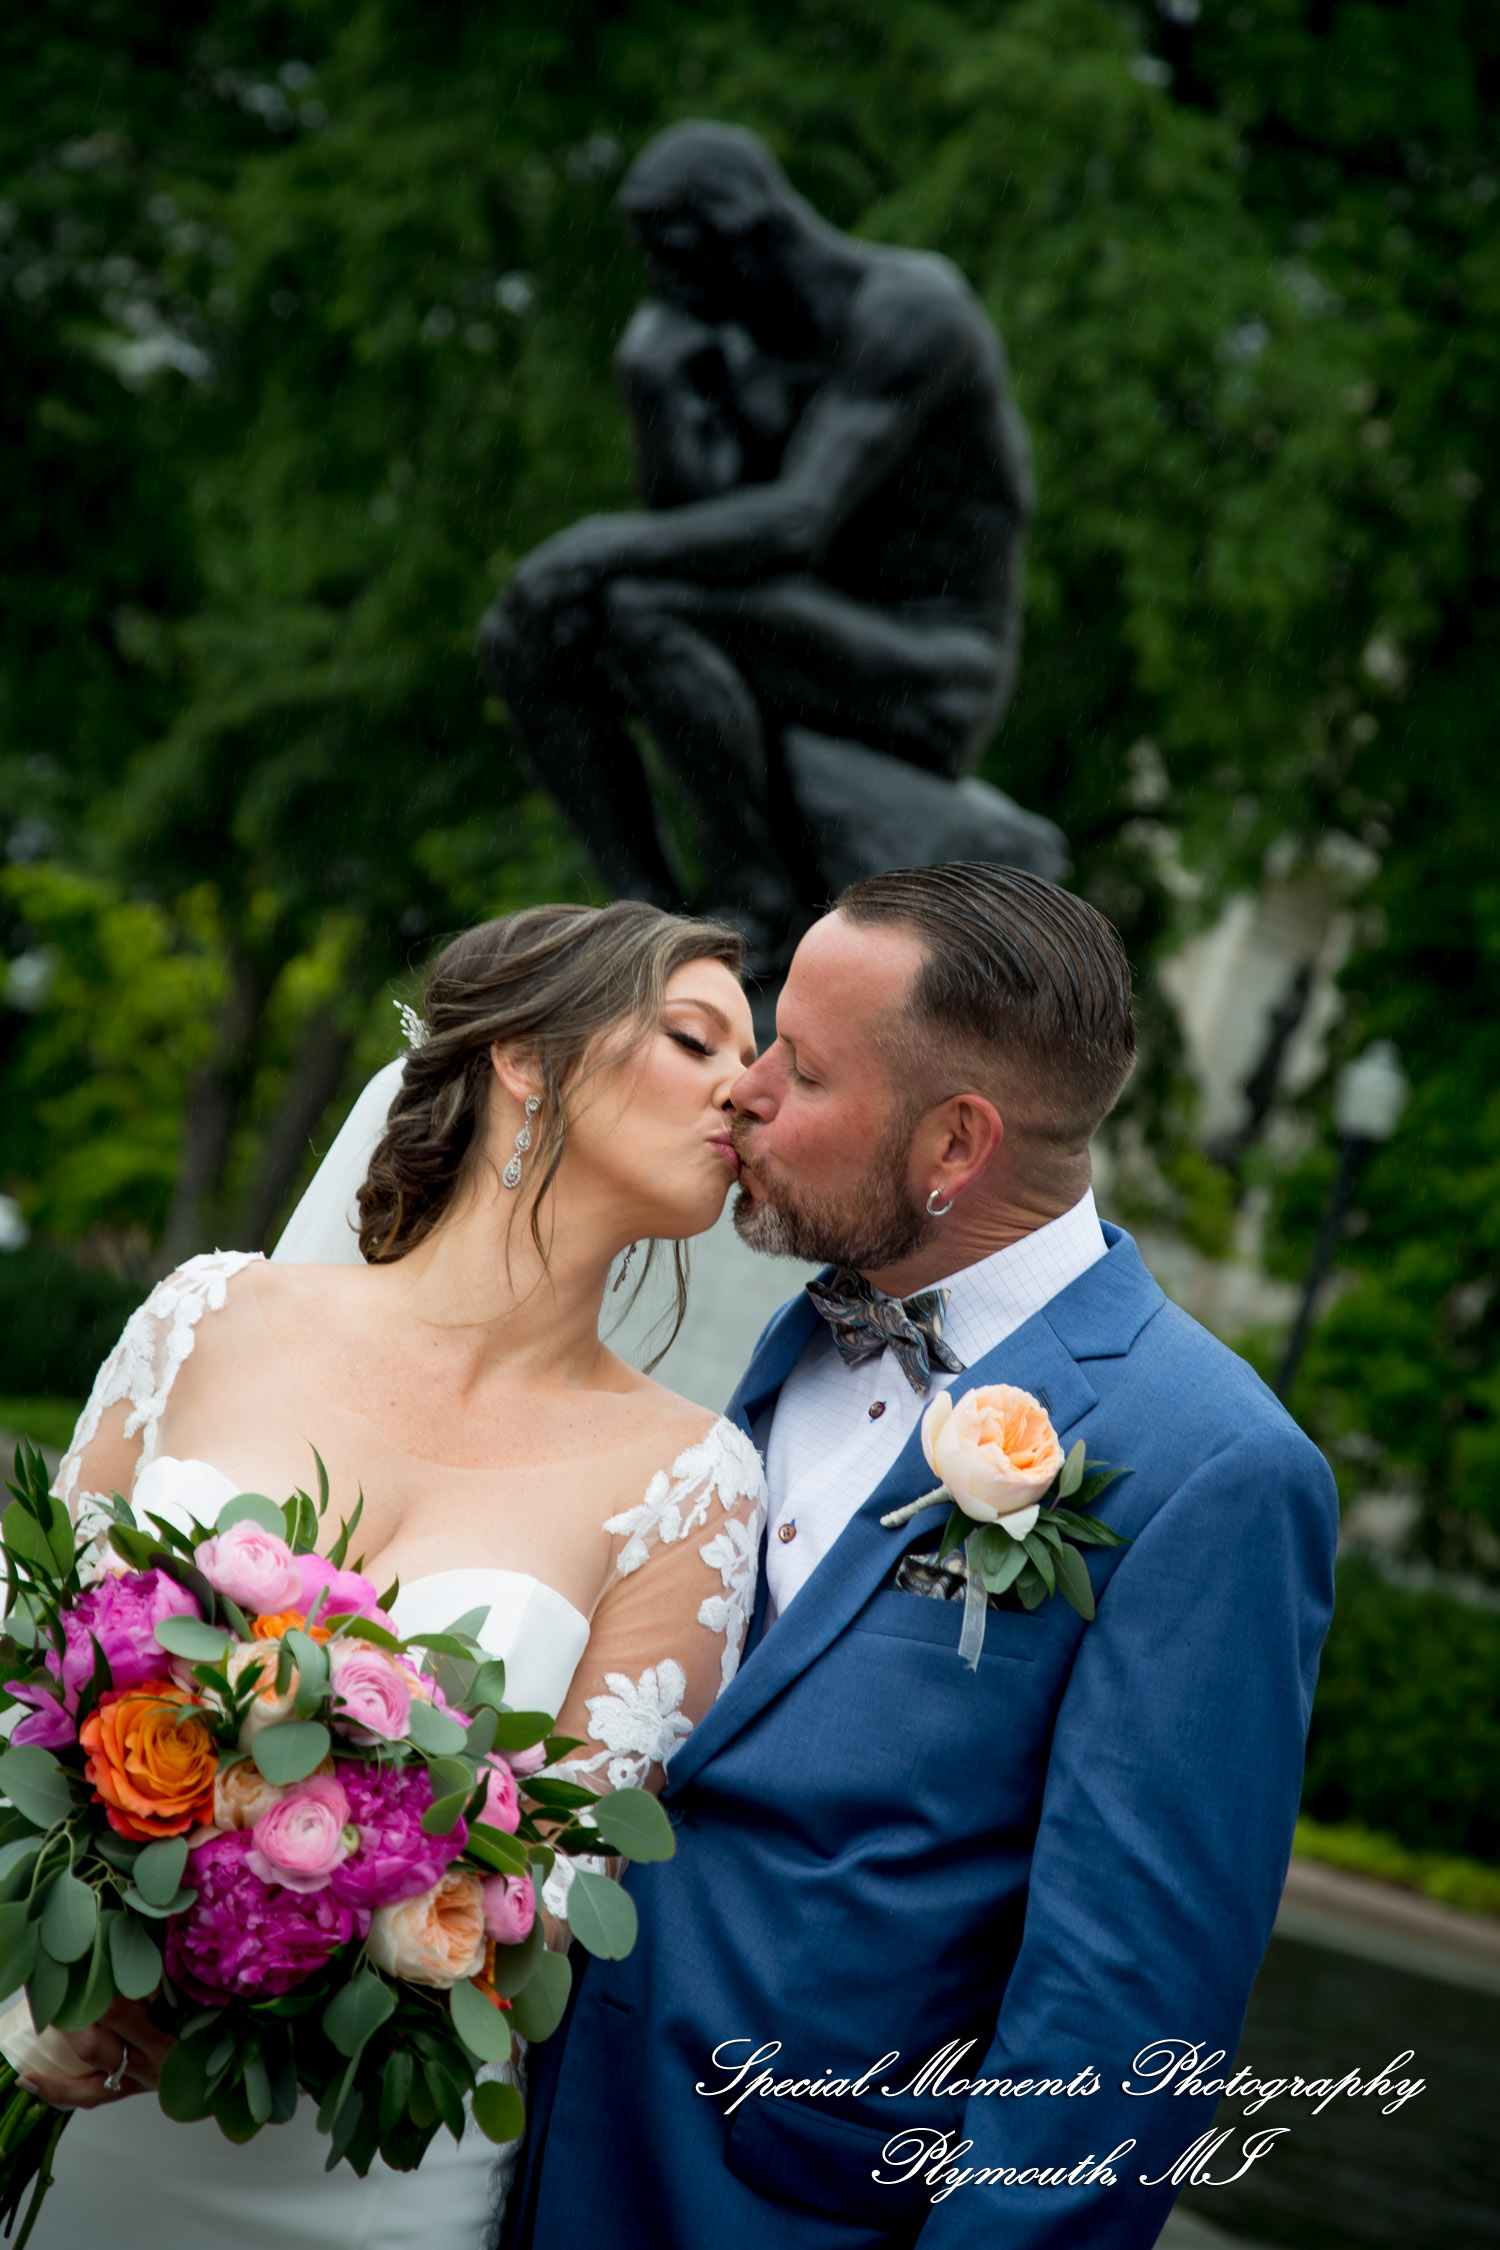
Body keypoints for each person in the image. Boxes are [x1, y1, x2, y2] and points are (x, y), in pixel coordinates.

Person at [508, 862, 1340, 2250]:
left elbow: (1122, 2025)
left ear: (957, 1145)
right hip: (542, 2154)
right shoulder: (810, 1330)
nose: (749, 1090)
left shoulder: (1215, 1469)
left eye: (806, 1069)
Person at [21, 900, 768, 2250]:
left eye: (756, 1057)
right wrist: (55, 1974)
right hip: (80, 2089)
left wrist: (274, 1921)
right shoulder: (211, 1315)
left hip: (369, 2178)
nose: (748, 1085)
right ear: (527, 1061)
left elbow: (555, 1896)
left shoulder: (696, 1480)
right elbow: (30, 1678)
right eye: (696, 1036)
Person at [479, 122, 1034, 972]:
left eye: (677, 259)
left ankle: (759, 901)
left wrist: (592, 547)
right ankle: (644, 911)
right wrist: (656, 394)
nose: (665, 287)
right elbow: (700, 528)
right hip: (796, 632)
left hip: (928, 665)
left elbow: (793, 522)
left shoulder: (909, 312)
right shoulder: (733, 345)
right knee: (528, 631)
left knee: (629, 599)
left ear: (745, 233)